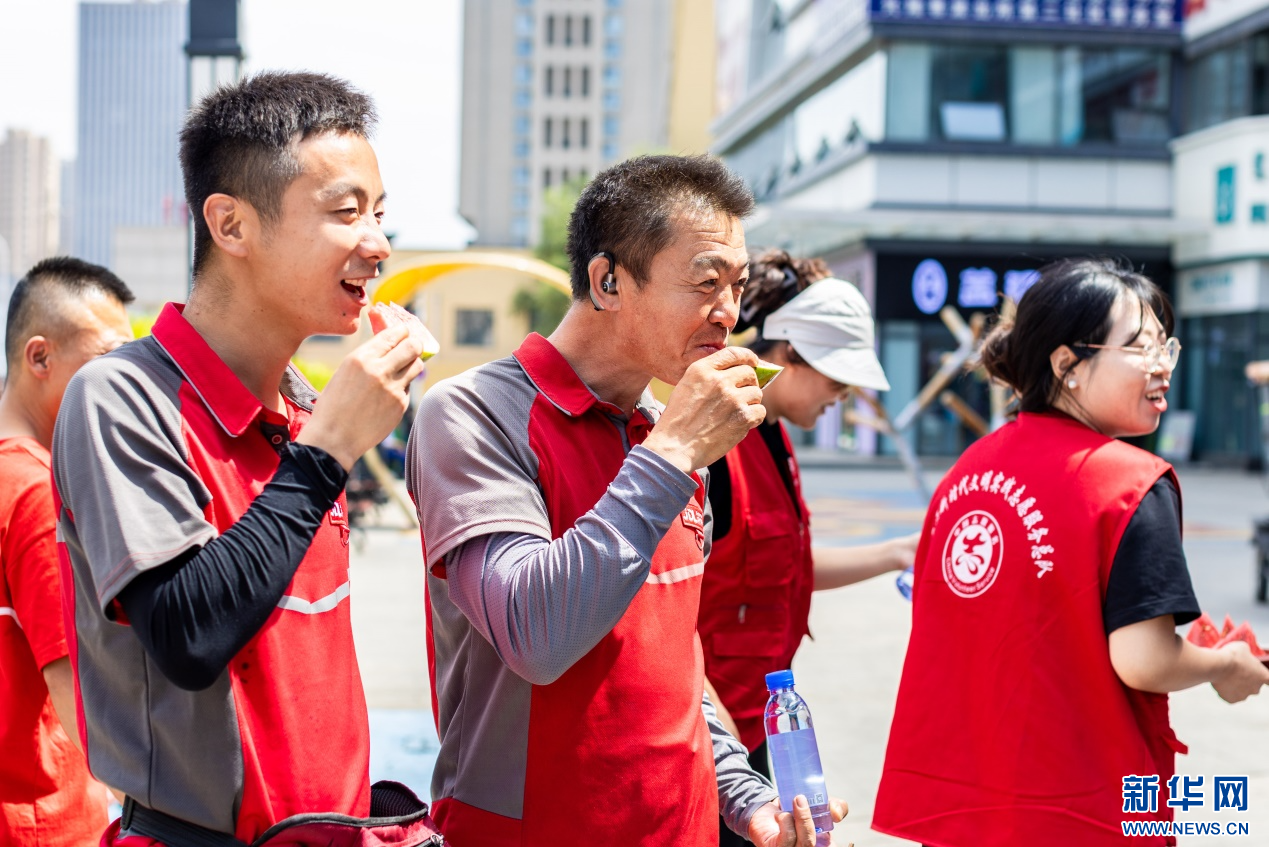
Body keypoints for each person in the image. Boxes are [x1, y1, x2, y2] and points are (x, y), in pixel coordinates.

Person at [407, 155, 846, 847]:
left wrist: (744, 793)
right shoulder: (470, 414)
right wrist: (670, 454)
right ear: (607, 280)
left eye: (735, 285)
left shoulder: (663, 433)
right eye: (706, 281)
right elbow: (535, 634)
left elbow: (669, 664)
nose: (727, 312)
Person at [52, 72, 428, 845]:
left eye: (380, 215)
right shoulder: (123, 398)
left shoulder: (301, 408)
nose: (378, 243)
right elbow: (190, 633)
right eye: (345, 213)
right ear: (229, 224)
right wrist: (327, 452)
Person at [872, 258, 1269, 847]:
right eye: (1139, 347)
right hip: (1081, 808)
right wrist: (1225, 666)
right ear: (1068, 365)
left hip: (963, 805)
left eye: (1167, 347)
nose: (1162, 367)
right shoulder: (1132, 482)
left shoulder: (967, 471)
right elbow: (1144, 659)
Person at [697, 251, 917, 847]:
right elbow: (668, 615)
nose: (843, 396)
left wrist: (897, 552)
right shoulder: (714, 447)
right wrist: (724, 766)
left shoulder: (775, 441)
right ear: (788, 356)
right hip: (711, 741)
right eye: (836, 379)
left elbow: (784, 569)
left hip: (763, 725)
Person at [0, 257, 133, 847]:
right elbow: (77, 691)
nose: (123, 384)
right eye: (108, 362)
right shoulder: (35, 491)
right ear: (40, 358)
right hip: (47, 824)